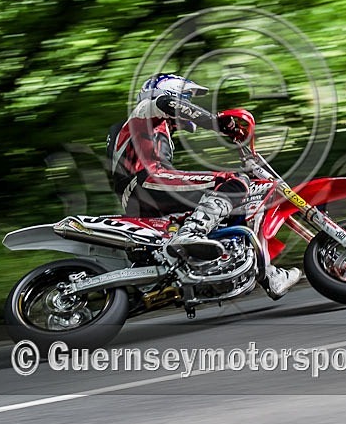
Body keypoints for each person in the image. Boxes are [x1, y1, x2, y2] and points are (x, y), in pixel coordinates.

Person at [108, 73, 300, 299]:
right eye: (186, 96)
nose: (188, 103)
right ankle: (192, 232)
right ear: (170, 92)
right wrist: (216, 122)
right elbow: (166, 104)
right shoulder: (145, 110)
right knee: (232, 181)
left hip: (143, 190)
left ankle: (264, 272)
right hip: (147, 182)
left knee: (231, 203)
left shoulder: (155, 129)